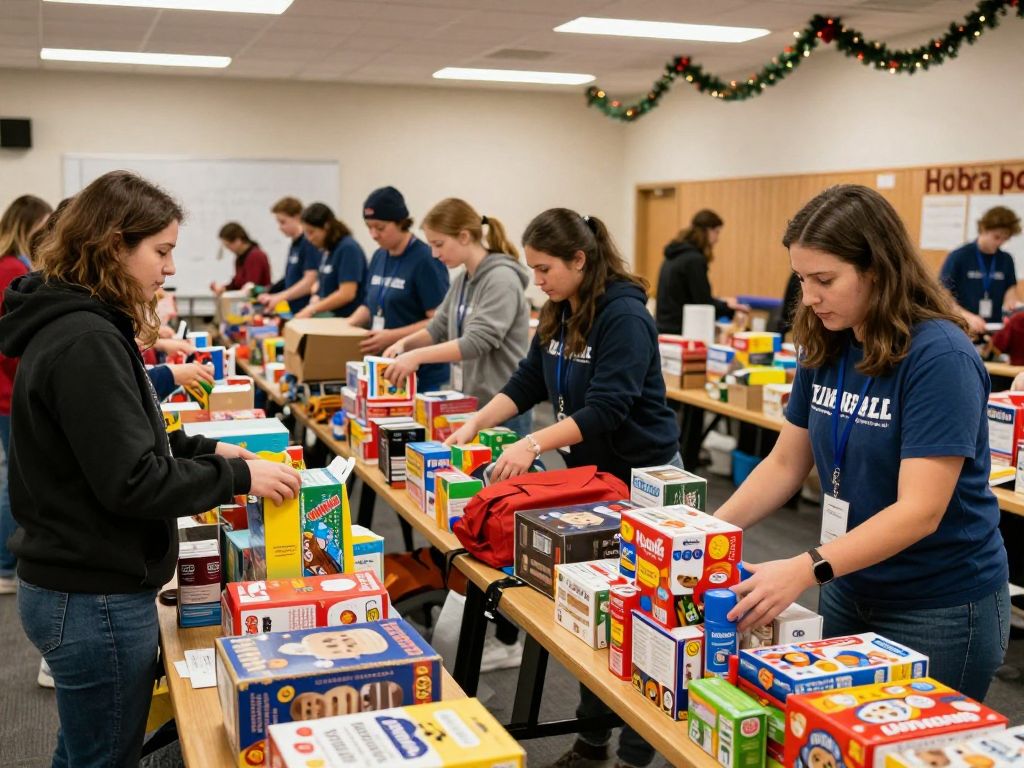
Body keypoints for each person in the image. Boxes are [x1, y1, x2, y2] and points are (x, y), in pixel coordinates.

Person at [0, 170, 301, 766]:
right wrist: (239, 479)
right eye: (160, 252)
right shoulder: (85, 340)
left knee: (86, 748)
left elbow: (127, 439)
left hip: (79, 581)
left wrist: (211, 451)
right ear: (115, 245)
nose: (168, 270)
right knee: (104, 756)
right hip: (92, 596)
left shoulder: (81, 324)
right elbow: (133, 479)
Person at [716, 185, 1009, 702]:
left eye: (824, 280)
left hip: (937, 605)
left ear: (877, 268)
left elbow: (920, 511)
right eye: (802, 278)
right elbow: (785, 463)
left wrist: (804, 567)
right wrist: (703, 533)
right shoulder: (828, 339)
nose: (808, 296)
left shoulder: (940, 357)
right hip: (849, 579)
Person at [447, 208, 681, 768]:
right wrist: (479, 420)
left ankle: (634, 753)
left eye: (546, 267)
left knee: (643, 622)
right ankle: (592, 740)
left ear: (580, 259)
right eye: (533, 268)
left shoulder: (623, 315)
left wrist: (530, 445)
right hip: (590, 482)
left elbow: (609, 406)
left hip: (642, 481)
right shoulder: (558, 308)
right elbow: (530, 380)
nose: (538, 279)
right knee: (591, 615)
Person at [382, 198, 532, 435]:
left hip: (501, 409)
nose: (434, 253)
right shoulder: (463, 280)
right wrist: (403, 344)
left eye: (439, 244)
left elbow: (477, 342)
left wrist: (416, 356)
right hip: (469, 404)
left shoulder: (501, 279)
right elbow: (437, 327)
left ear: (464, 236)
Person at [343, 186, 450, 391]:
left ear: (401, 223)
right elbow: (369, 304)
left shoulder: (426, 259)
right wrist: (347, 326)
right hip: (384, 367)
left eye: (380, 228)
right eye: (369, 227)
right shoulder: (379, 256)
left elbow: (438, 320)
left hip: (422, 375)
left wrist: (391, 336)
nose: (373, 234)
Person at [0, 194, 53, 595]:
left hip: (13, 386)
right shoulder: (12, 269)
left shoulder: (17, 266)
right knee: (12, 478)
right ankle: (5, 566)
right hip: (9, 390)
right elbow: (15, 341)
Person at [654, 209, 747, 335]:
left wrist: (722, 301)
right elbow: (704, 304)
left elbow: (688, 296)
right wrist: (728, 307)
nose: (717, 239)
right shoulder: (694, 260)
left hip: (663, 328)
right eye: (716, 232)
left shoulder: (674, 255)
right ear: (707, 230)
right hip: (680, 331)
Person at [940, 205, 1022, 334]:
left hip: (994, 330)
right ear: (984, 229)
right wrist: (966, 316)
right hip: (963, 328)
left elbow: (1010, 295)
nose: (1000, 243)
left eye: (1005, 239)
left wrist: (1013, 309)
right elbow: (943, 297)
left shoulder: (1006, 260)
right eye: (996, 237)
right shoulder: (959, 256)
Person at [292, 202, 367, 319]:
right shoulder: (328, 249)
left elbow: (346, 294)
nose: (309, 238)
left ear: (326, 226)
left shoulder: (347, 248)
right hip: (330, 317)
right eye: (306, 233)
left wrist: (312, 309)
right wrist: (316, 296)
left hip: (346, 320)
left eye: (311, 232)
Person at [257, 196, 321, 314]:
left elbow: (309, 281)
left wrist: (280, 297)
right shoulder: (294, 244)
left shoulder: (308, 242)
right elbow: (290, 278)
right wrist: (269, 293)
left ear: (297, 218)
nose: (280, 227)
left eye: (283, 222)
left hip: (307, 310)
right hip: (293, 309)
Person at [210, 221, 272, 295]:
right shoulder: (240, 258)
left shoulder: (256, 256)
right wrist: (224, 288)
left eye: (228, 245)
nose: (228, 249)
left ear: (238, 240)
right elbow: (237, 284)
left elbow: (251, 286)